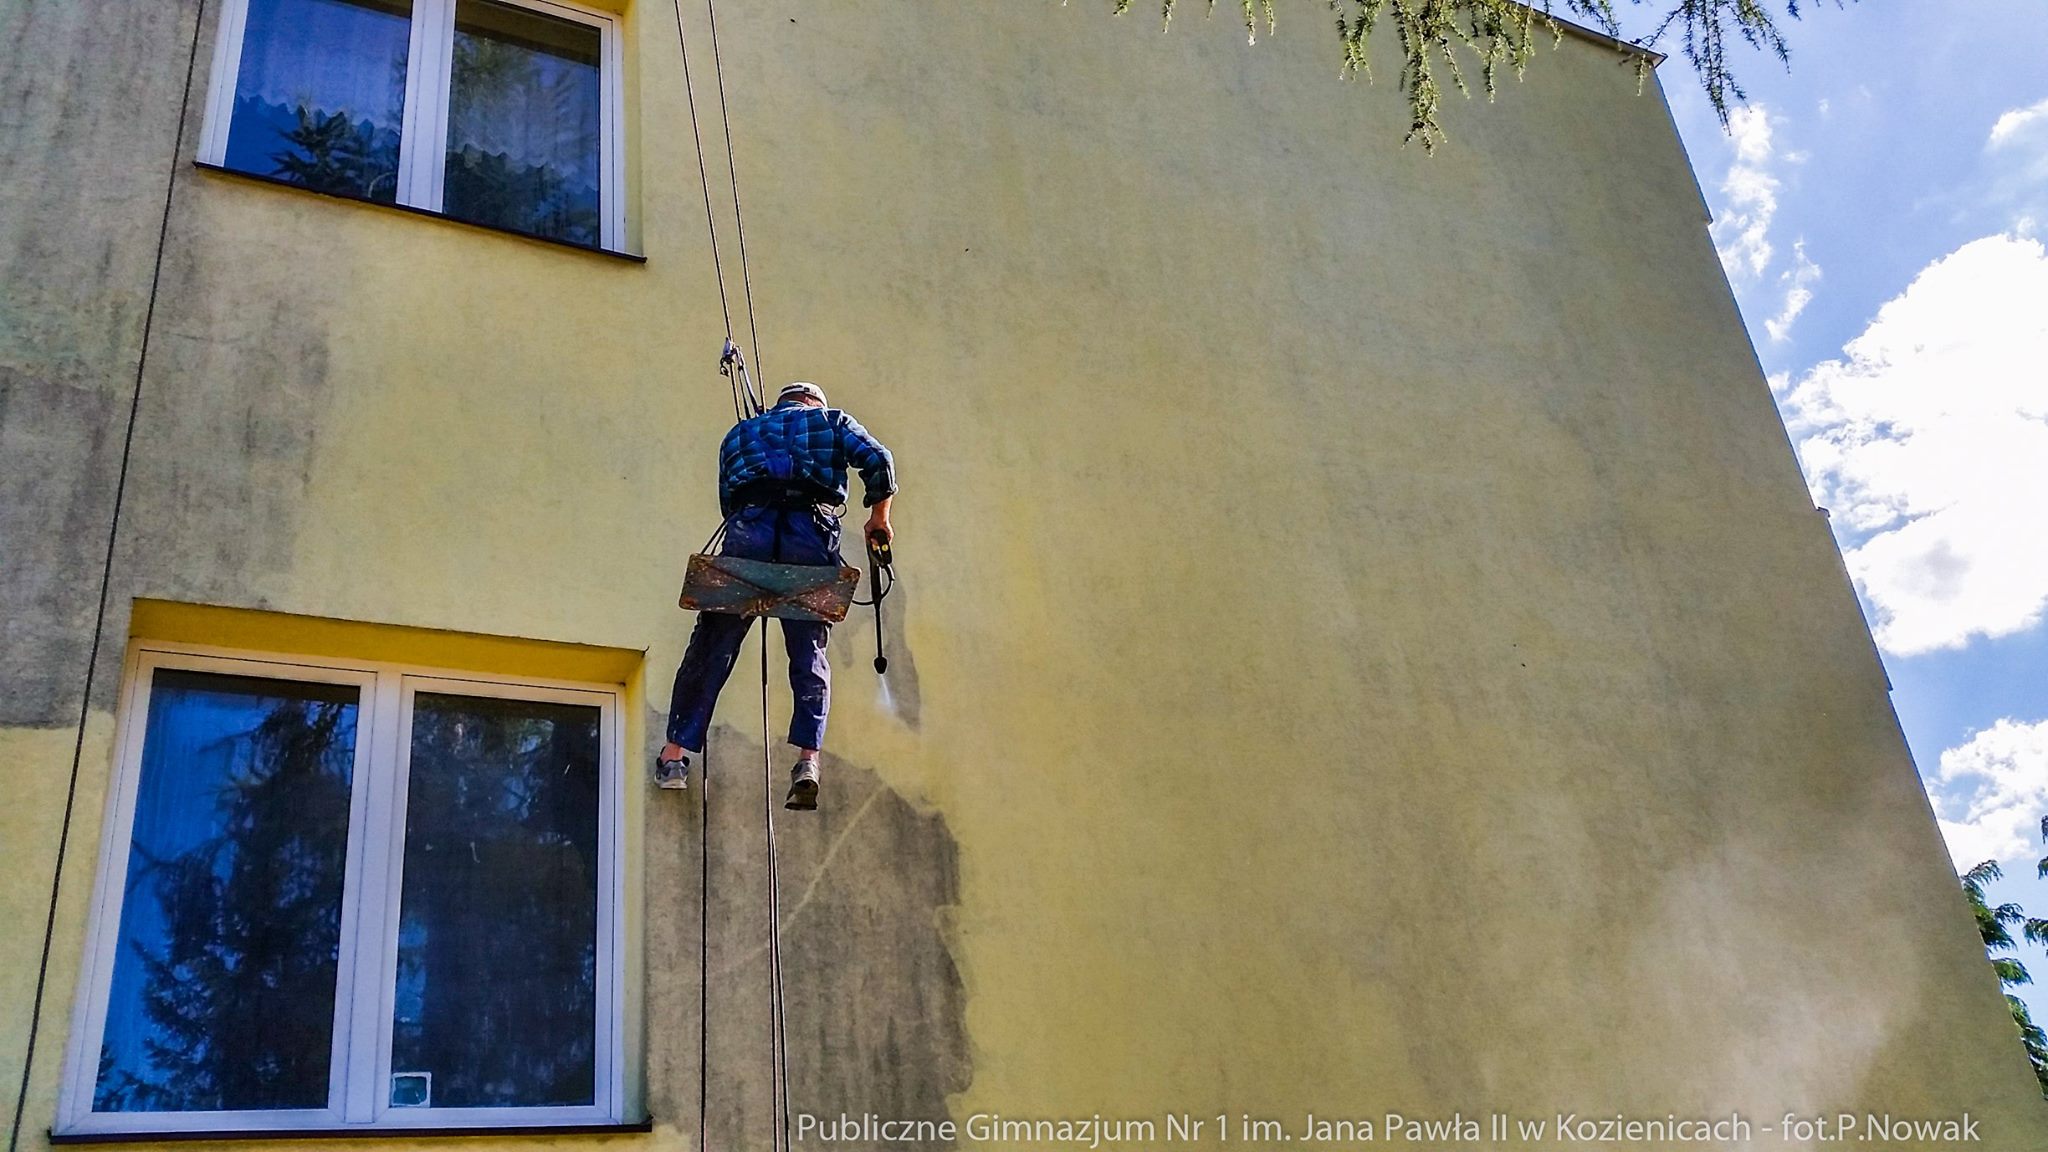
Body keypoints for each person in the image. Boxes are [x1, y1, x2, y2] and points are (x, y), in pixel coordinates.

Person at [657, 381, 895, 810]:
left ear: (782, 404)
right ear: (813, 404)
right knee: (809, 652)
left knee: (712, 644)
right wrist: (878, 518)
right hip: (811, 536)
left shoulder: (740, 433)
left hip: (750, 530)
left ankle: (673, 756)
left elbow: (728, 502)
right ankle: (808, 760)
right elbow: (878, 460)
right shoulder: (831, 422)